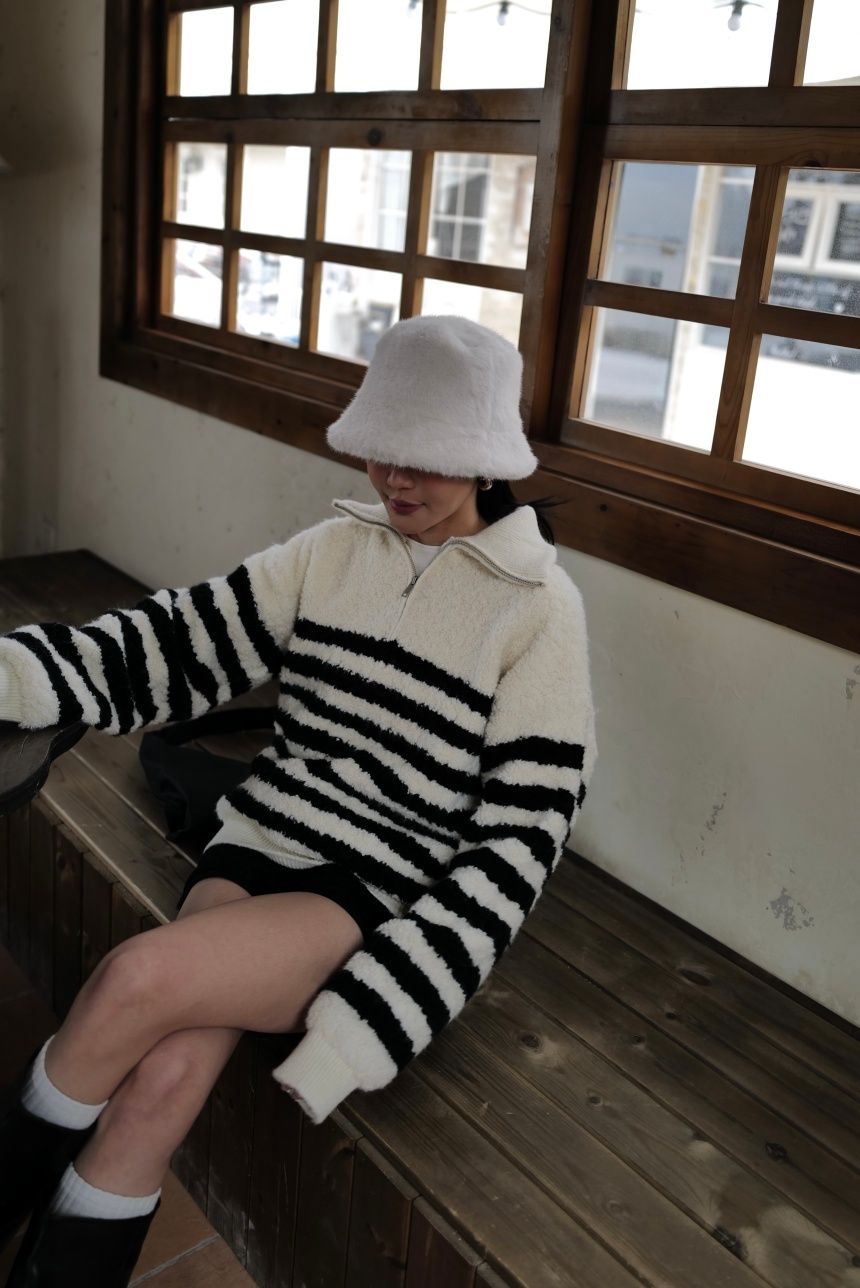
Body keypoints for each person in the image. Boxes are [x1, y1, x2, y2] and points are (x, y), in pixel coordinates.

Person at [0, 314, 596, 1287]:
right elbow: (179, 642)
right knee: (162, 1080)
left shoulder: (538, 611)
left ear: (484, 457)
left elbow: (518, 842)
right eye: (380, 448)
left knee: (131, 982)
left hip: (367, 890)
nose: (394, 477)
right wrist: (18, 676)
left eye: (424, 455)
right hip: (260, 837)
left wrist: (377, 1015)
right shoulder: (332, 551)